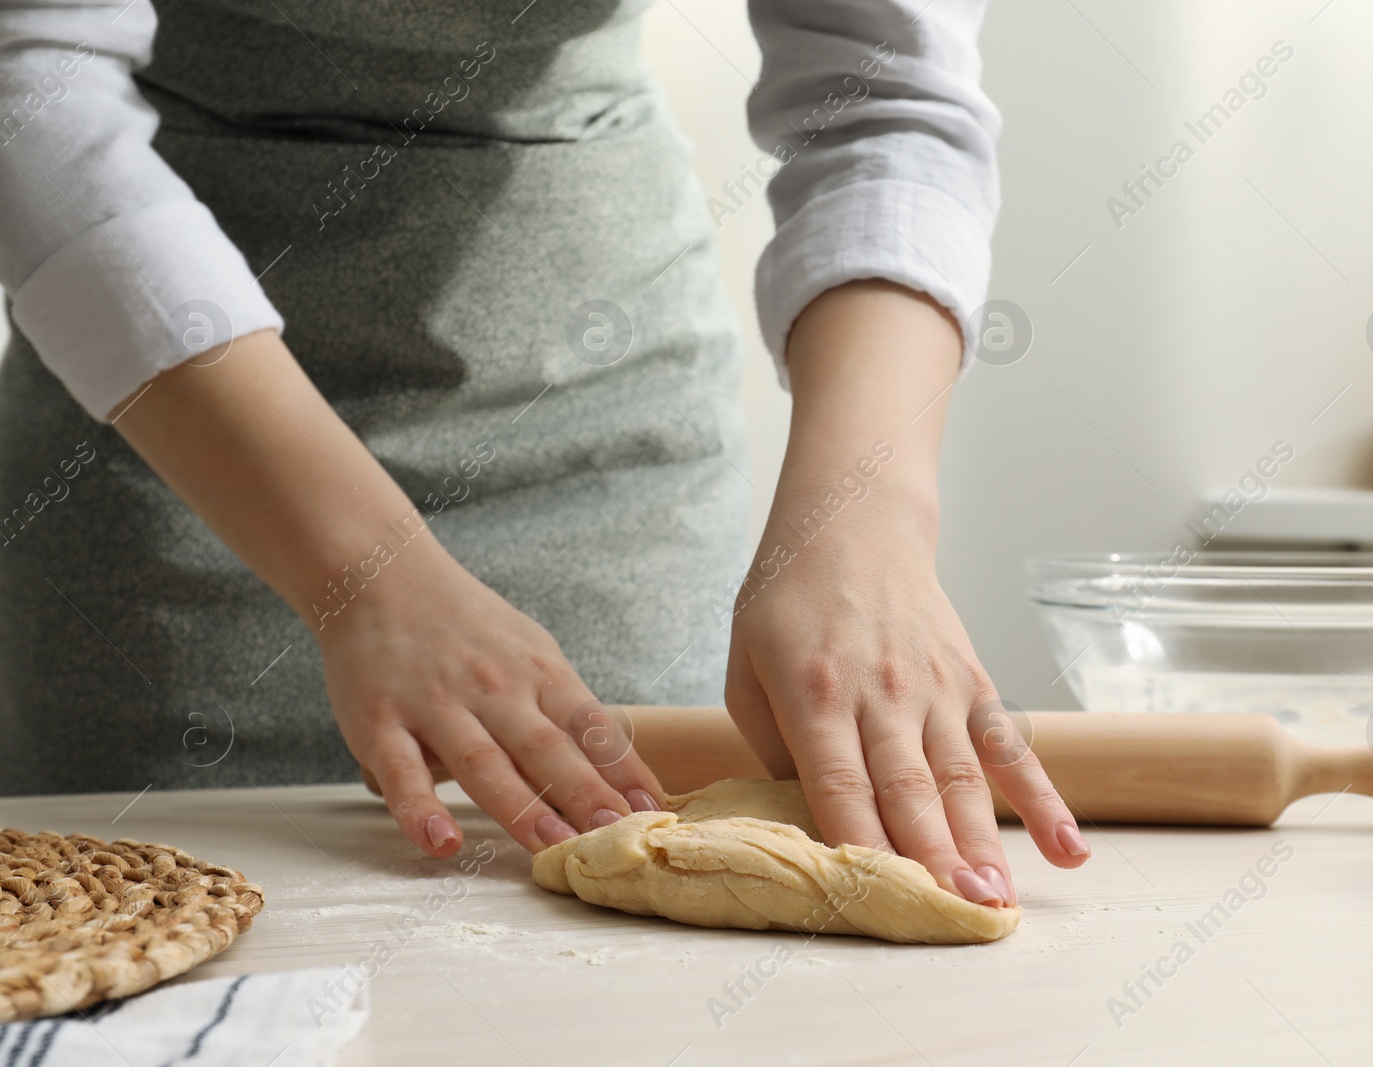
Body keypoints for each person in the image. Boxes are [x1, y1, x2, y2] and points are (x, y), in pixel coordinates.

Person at [0, 0, 1089, 909]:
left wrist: (865, 521)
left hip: (612, 428)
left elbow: (884, 99)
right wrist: (361, 567)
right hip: (177, 444)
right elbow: (28, 87)